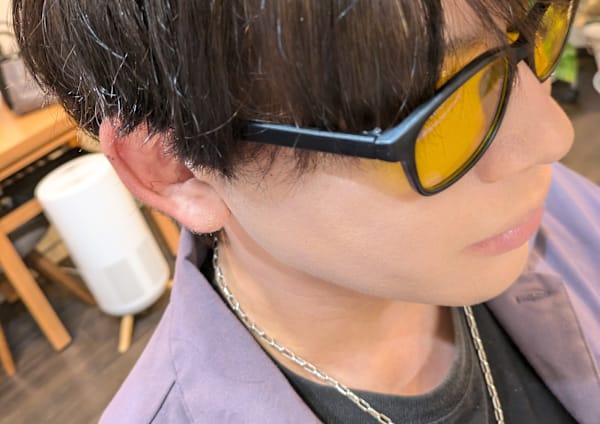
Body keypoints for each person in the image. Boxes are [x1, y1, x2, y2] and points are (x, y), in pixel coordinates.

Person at [12, 0, 600, 422]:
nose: (551, 136)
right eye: (432, 102)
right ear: (178, 171)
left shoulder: (549, 212)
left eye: (535, 28)